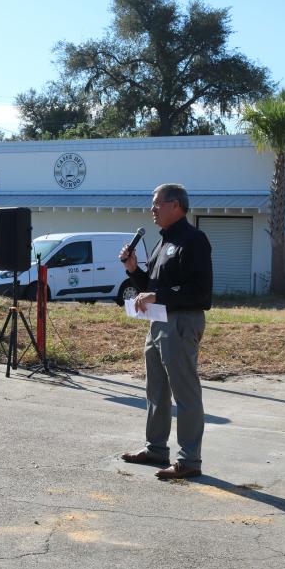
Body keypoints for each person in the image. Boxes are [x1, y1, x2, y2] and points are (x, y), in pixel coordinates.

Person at [120, 183, 213, 480]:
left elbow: (201, 293)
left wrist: (159, 296)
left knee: (185, 393)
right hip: (158, 323)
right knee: (156, 391)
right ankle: (157, 449)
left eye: (157, 203)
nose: (152, 209)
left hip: (182, 323)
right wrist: (134, 270)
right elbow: (153, 288)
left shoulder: (193, 240)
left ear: (176, 205)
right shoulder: (163, 242)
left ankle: (189, 460)